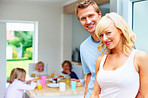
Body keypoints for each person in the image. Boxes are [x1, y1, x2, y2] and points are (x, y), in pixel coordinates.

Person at [91, 12, 148, 98]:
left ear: (120, 30)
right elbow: (95, 94)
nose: (104, 39)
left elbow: (144, 95)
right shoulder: (101, 60)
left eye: (108, 33)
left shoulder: (139, 58)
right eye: (101, 35)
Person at [75, 0, 102, 97]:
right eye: (83, 18)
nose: (88, 21)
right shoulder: (84, 46)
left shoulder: (117, 40)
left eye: (91, 16)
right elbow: (90, 74)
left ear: (99, 14)